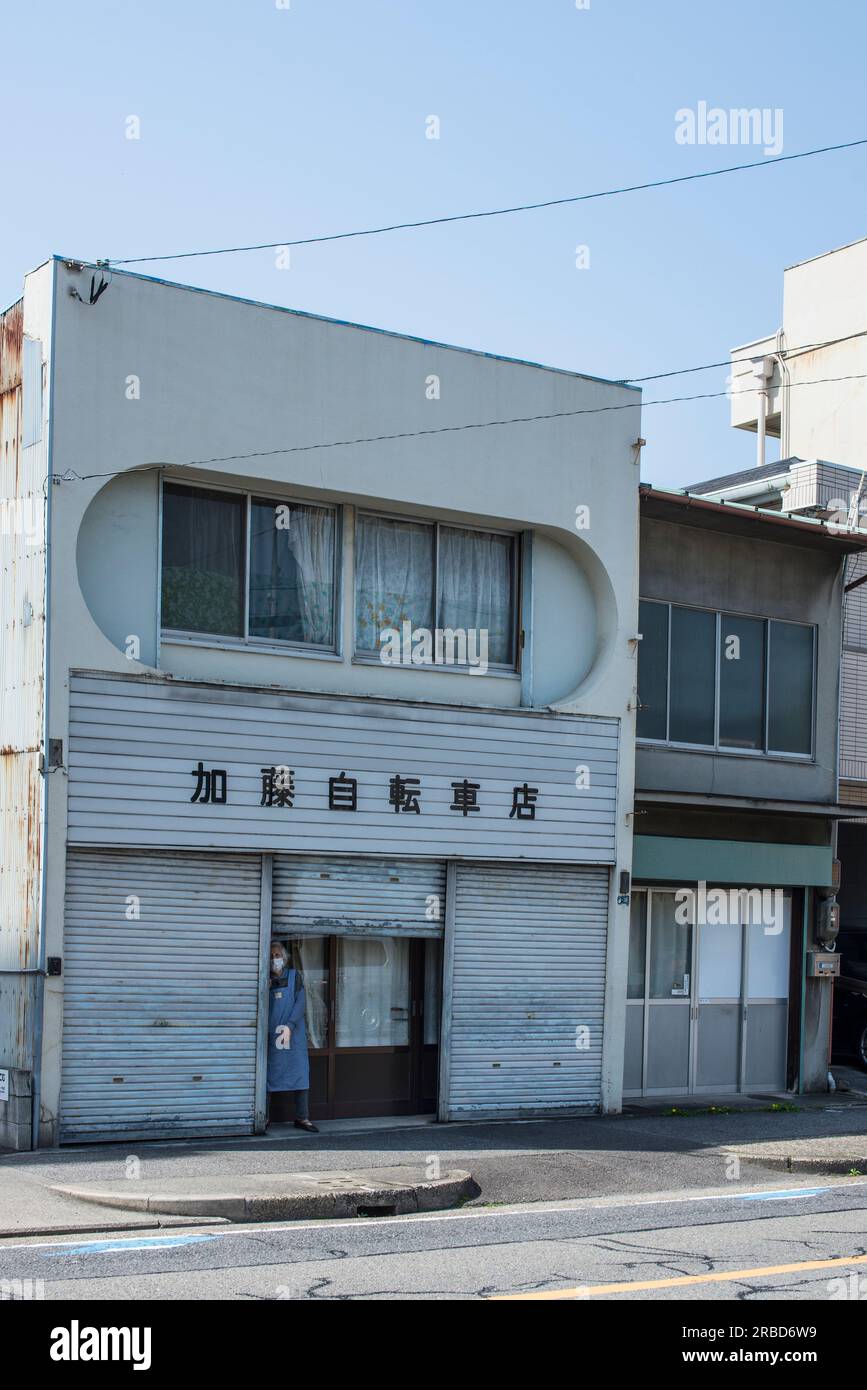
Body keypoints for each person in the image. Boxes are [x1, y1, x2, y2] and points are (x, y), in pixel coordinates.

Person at [266, 939, 318, 1132]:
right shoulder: (266, 979)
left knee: (300, 1074)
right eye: (271, 956)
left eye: (277, 955)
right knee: (268, 1075)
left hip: (293, 1036)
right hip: (272, 1036)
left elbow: (300, 1003)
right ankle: (264, 1117)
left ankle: (302, 1118)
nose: (274, 959)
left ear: (284, 958)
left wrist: (290, 1025)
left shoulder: (295, 976)